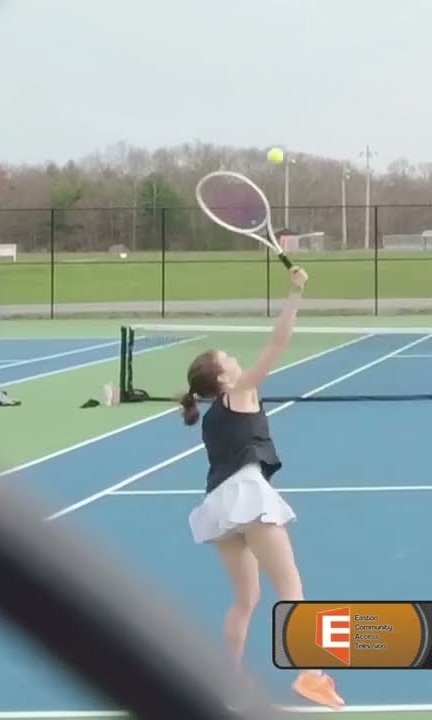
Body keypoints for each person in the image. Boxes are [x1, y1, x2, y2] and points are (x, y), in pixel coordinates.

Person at [178, 266, 344, 710]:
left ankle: (229, 682)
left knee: (246, 599)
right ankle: (310, 675)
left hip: (219, 506)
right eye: (228, 358)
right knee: (291, 588)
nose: (236, 359)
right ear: (223, 379)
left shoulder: (213, 414)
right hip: (247, 497)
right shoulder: (240, 393)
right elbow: (278, 343)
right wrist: (295, 292)